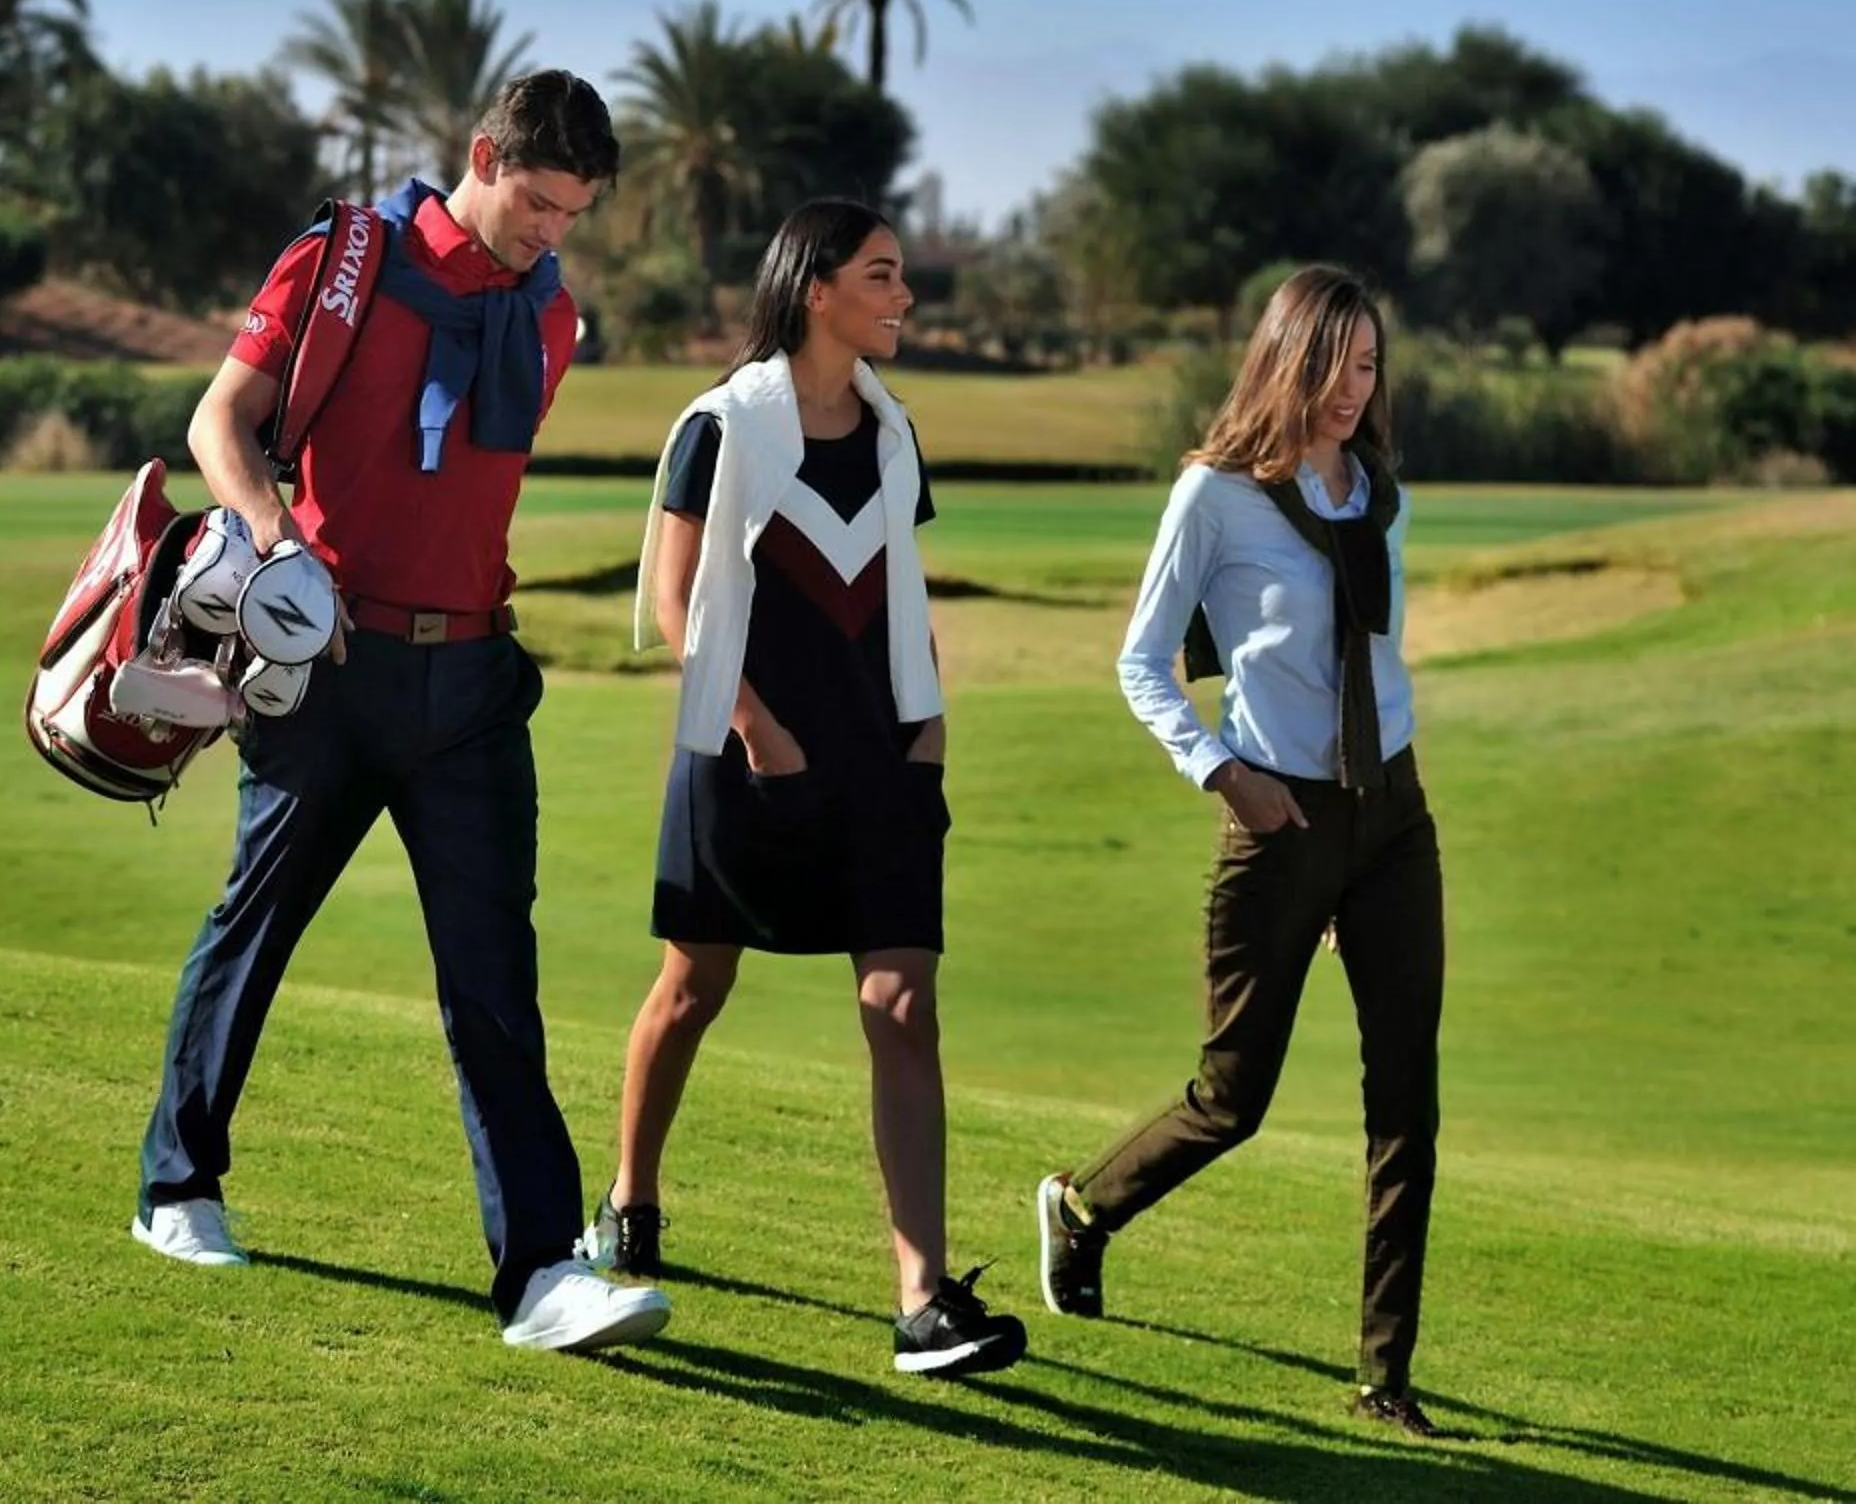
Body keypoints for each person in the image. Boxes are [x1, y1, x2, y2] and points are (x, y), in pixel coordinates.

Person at [130, 69, 671, 1354]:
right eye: (538, 202)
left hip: (474, 679)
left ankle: (542, 1273)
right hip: (326, 666)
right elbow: (222, 421)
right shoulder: (345, 262)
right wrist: (273, 536)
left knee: (495, 978)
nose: (552, 232)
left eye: (573, 215)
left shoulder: (552, 318)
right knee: (255, 927)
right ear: (482, 155)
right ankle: (178, 1183)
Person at [582, 198, 1029, 1378]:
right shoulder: (721, 427)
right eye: (882, 275)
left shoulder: (892, 432)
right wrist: (755, 727)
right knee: (693, 983)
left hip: (882, 756)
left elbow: (899, 589)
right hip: (744, 756)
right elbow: (678, 605)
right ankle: (628, 1199)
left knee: (901, 1004)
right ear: (815, 288)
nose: (904, 296)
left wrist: (929, 722)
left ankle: (923, 1303)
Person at [1034, 264, 1446, 1438]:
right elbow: (1139, 661)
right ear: (1285, 362)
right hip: (1278, 818)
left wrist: (1377, 789)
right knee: (1232, 1099)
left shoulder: (1382, 491)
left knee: (1406, 1096)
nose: (1352, 392)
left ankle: (1384, 1377)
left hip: (1394, 815)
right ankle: (1082, 1205)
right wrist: (1225, 771)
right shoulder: (1217, 498)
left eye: (1369, 368)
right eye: (1332, 367)